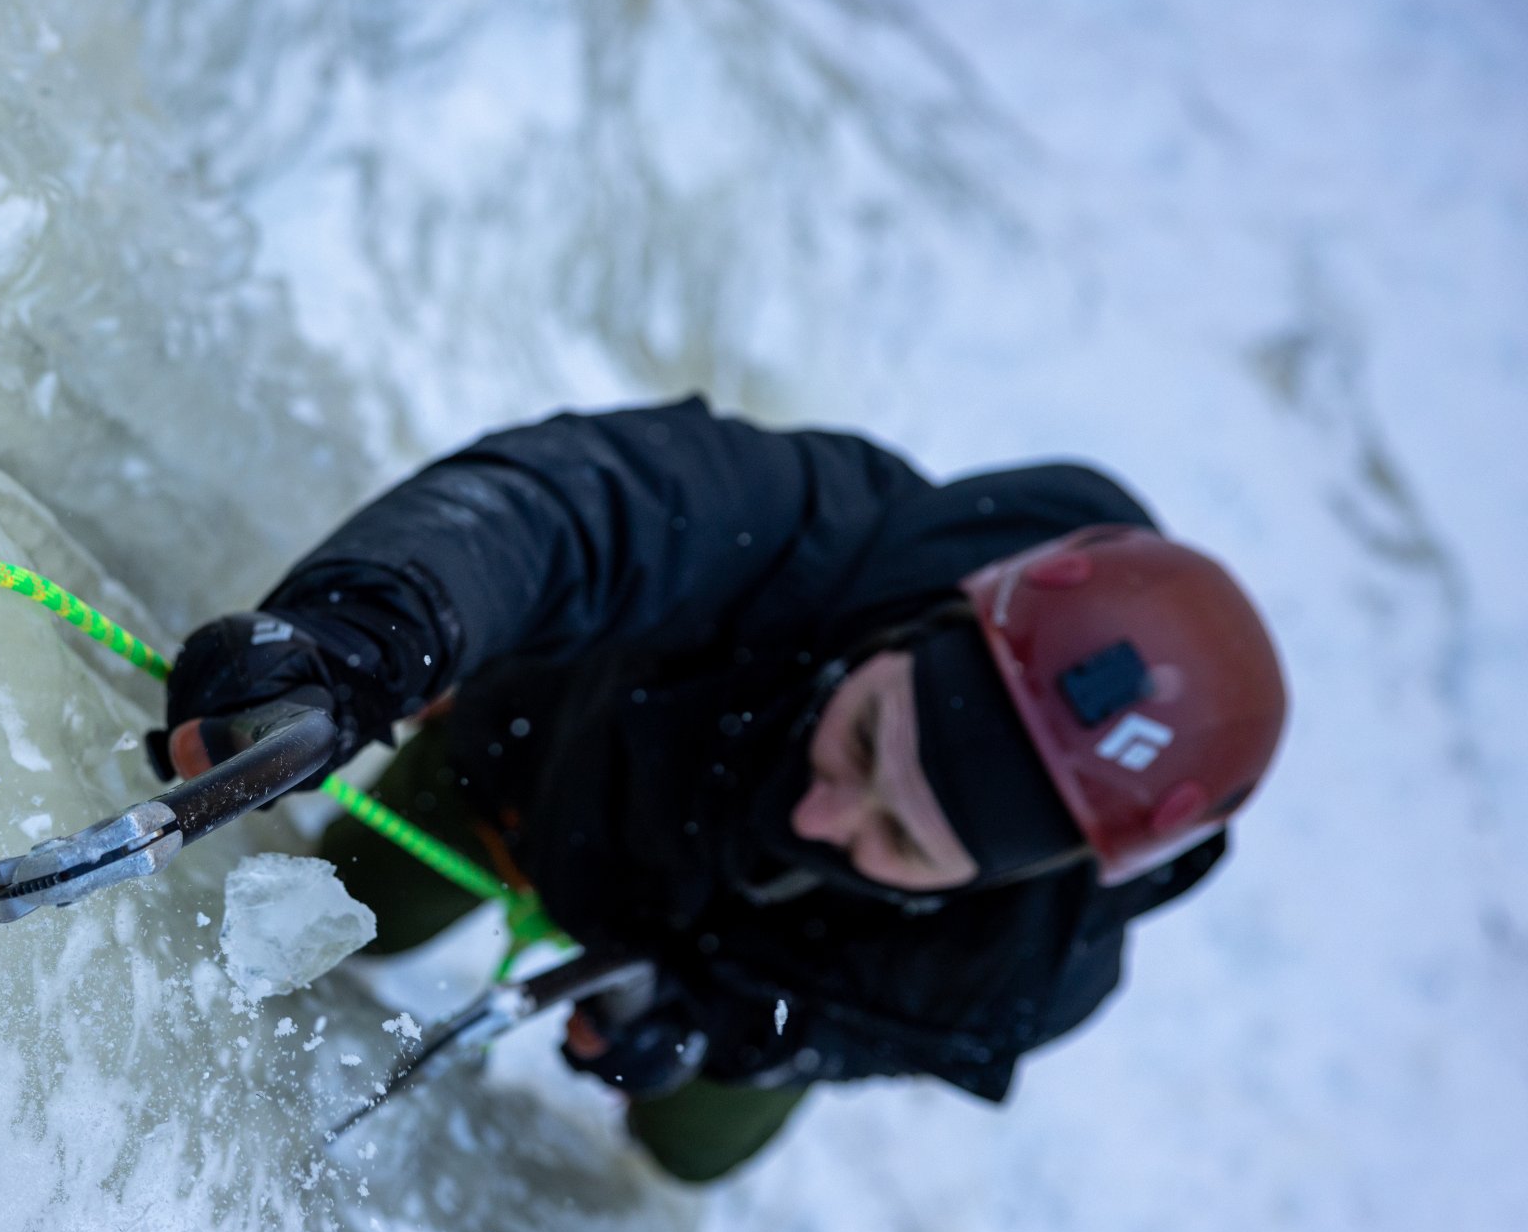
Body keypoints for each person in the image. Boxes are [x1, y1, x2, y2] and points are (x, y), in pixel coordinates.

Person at [156, 398, 1287, 1182]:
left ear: (1013, 880)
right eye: (859, 740)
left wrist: (736, 1025)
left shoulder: (1024, 971)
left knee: (686, 1150)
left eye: (902, 835)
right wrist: (369, 637)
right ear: (924, 623)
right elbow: (574, 505)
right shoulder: (810, 527)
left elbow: (864, 1032)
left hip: (749, 979)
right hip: (530, 783)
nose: (822, 816)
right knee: (328, 917)